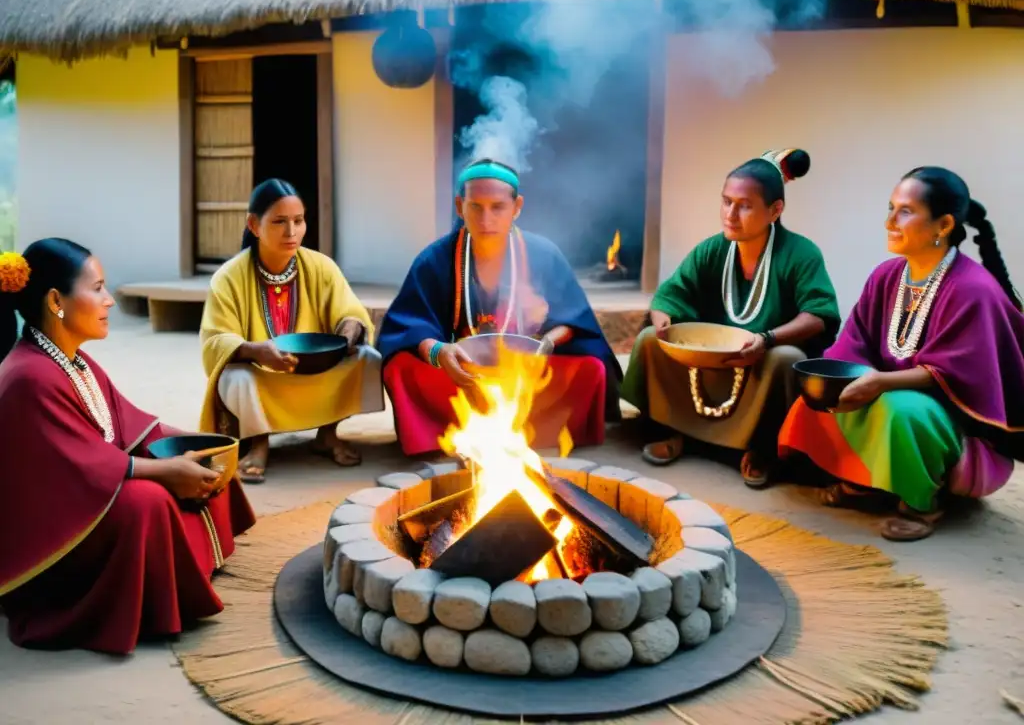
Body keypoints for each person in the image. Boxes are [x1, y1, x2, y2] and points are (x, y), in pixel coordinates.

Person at [0, 239, 256, 654]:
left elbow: (123, 425)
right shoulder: (29, 376)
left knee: (206, 454)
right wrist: (168, 471)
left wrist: (196, 448)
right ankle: (155, 602)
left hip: (89, 483)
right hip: (56, 524)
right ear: (55, 300)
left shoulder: (71, 359)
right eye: (97, 288)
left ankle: (187, 569)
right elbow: (76, 467)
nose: (109, 301)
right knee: (147, 503)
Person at [779, 167, 1023, 541]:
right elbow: (856, 339)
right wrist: (837, 379)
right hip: (890, 393)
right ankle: (862, 483)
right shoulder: (887, 275)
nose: (890, 221)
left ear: (942, 225)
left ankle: (923, 503)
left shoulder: (973, 288)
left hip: (960, 428)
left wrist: (879, 383)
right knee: (823, 396)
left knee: (899, 410)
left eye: (905, 211)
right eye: (890, 208)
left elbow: (960, 373)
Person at [621, 148, 840, 487]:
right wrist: (662, 318)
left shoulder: (800, 253)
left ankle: (761, 449)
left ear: (775, 210)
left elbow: (818, 315)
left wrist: (768, 339)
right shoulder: (712, 249)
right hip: (710, 357)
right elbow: (671, 295)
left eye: (745, 205)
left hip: (762, 359)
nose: (730, 214)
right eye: (726, 202)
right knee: (651, 340)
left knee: (787, 359)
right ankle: (677, 433)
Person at [377, 158, 622, 456]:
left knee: (591, 368)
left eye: (498, 207)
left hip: (527, 371)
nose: (486, 219)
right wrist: (439, 352)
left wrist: (545, 343)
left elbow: (573, 317)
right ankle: (445, 436)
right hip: (461, 375)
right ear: (459, 206)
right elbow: (409, 323)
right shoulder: (435, 259)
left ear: (517, 206)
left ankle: (539, 432)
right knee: (400, 368)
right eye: (475, 207)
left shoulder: (543, 254)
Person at [199, 179, 384, 483]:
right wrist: (254, 350)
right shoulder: (228, 277)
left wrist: (348, 334)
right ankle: (258, 442)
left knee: (368, 356)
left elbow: (350, 313)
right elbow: (216, 340)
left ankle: (328, 434)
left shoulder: (321, 266)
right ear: (254, 225)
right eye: (280, 222)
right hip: (262, 374)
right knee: (235, 376)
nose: (292, 232)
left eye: (298, 221)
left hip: (317, 368)